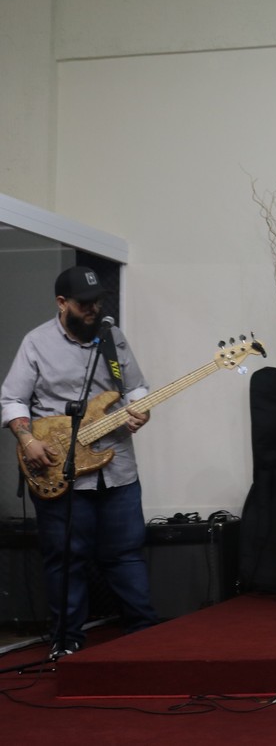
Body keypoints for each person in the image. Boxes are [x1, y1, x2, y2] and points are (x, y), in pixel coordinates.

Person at [1, 266, 158, 658]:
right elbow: (12, 399)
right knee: (66, 558)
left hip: (117, 467)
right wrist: (27, 440)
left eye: (97, 302)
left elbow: (136, 387)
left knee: (126, 554)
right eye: (84, 303)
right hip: (59, 467)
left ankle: (144, 634)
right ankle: (67, 640)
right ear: (62, 303)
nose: (93, 309)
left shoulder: (113, 337)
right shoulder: (36, 342)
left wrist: (140, 408)